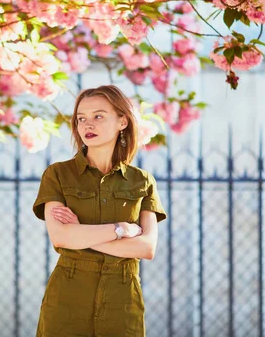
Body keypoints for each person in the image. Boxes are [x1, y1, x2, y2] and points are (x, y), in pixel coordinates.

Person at [32, 85, 167, 336]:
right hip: (68, 298)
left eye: (98, 116)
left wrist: (80, 235)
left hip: (122, 299)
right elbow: (61, 237)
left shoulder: (142, 181)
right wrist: (122, 230)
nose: (87, 125)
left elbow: (146, 248)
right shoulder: (58, 174)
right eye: (81, 118)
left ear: (122, 121)